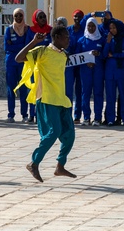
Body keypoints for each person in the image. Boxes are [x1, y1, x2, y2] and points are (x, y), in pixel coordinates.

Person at [14, 26, 77, 183]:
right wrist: (34, 42)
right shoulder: (42, 51)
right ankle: (33, 163)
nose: (68, 40)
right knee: (53, 132)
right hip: (47, 98)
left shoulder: (64, 55)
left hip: (61, 99)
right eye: (65, 37)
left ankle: (60, 166)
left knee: (69, 135)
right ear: (55, 37)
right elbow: (18, 58)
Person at [71, 16, 104, 125]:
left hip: (98, 70)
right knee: (85, 93)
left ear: (96, 26)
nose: (90, 28)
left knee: (98, 93)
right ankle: (86, 117)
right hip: (85, 70)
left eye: (93, 26)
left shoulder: (101, 39)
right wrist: (86, 61)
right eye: (89, 26)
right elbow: (77, 55)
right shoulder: (82, 40)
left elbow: (105, 55)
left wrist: (98, 54)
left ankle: (98, 118)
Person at [5, 8, 36, 123]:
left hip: (23, 63)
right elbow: (7, 47)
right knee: (11, 89)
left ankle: (24, 114)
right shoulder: (9, 30)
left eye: (20, 16)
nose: (18, 18)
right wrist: (22, 47)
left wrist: (16, 46)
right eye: (16, 16)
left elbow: (28, 45)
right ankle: (11, 114)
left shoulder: (27, 29)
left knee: (24, 89)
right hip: (11, 63)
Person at [103, 19, 124, 126]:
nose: (112, 30)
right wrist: (108, 42)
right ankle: (110, 118)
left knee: (123, 95)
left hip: (122, 71)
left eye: (114, 28)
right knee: (110, 96)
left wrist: (114, 55)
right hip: (110, 72)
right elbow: (105, 54)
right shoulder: (109, 38)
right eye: (110, 28)